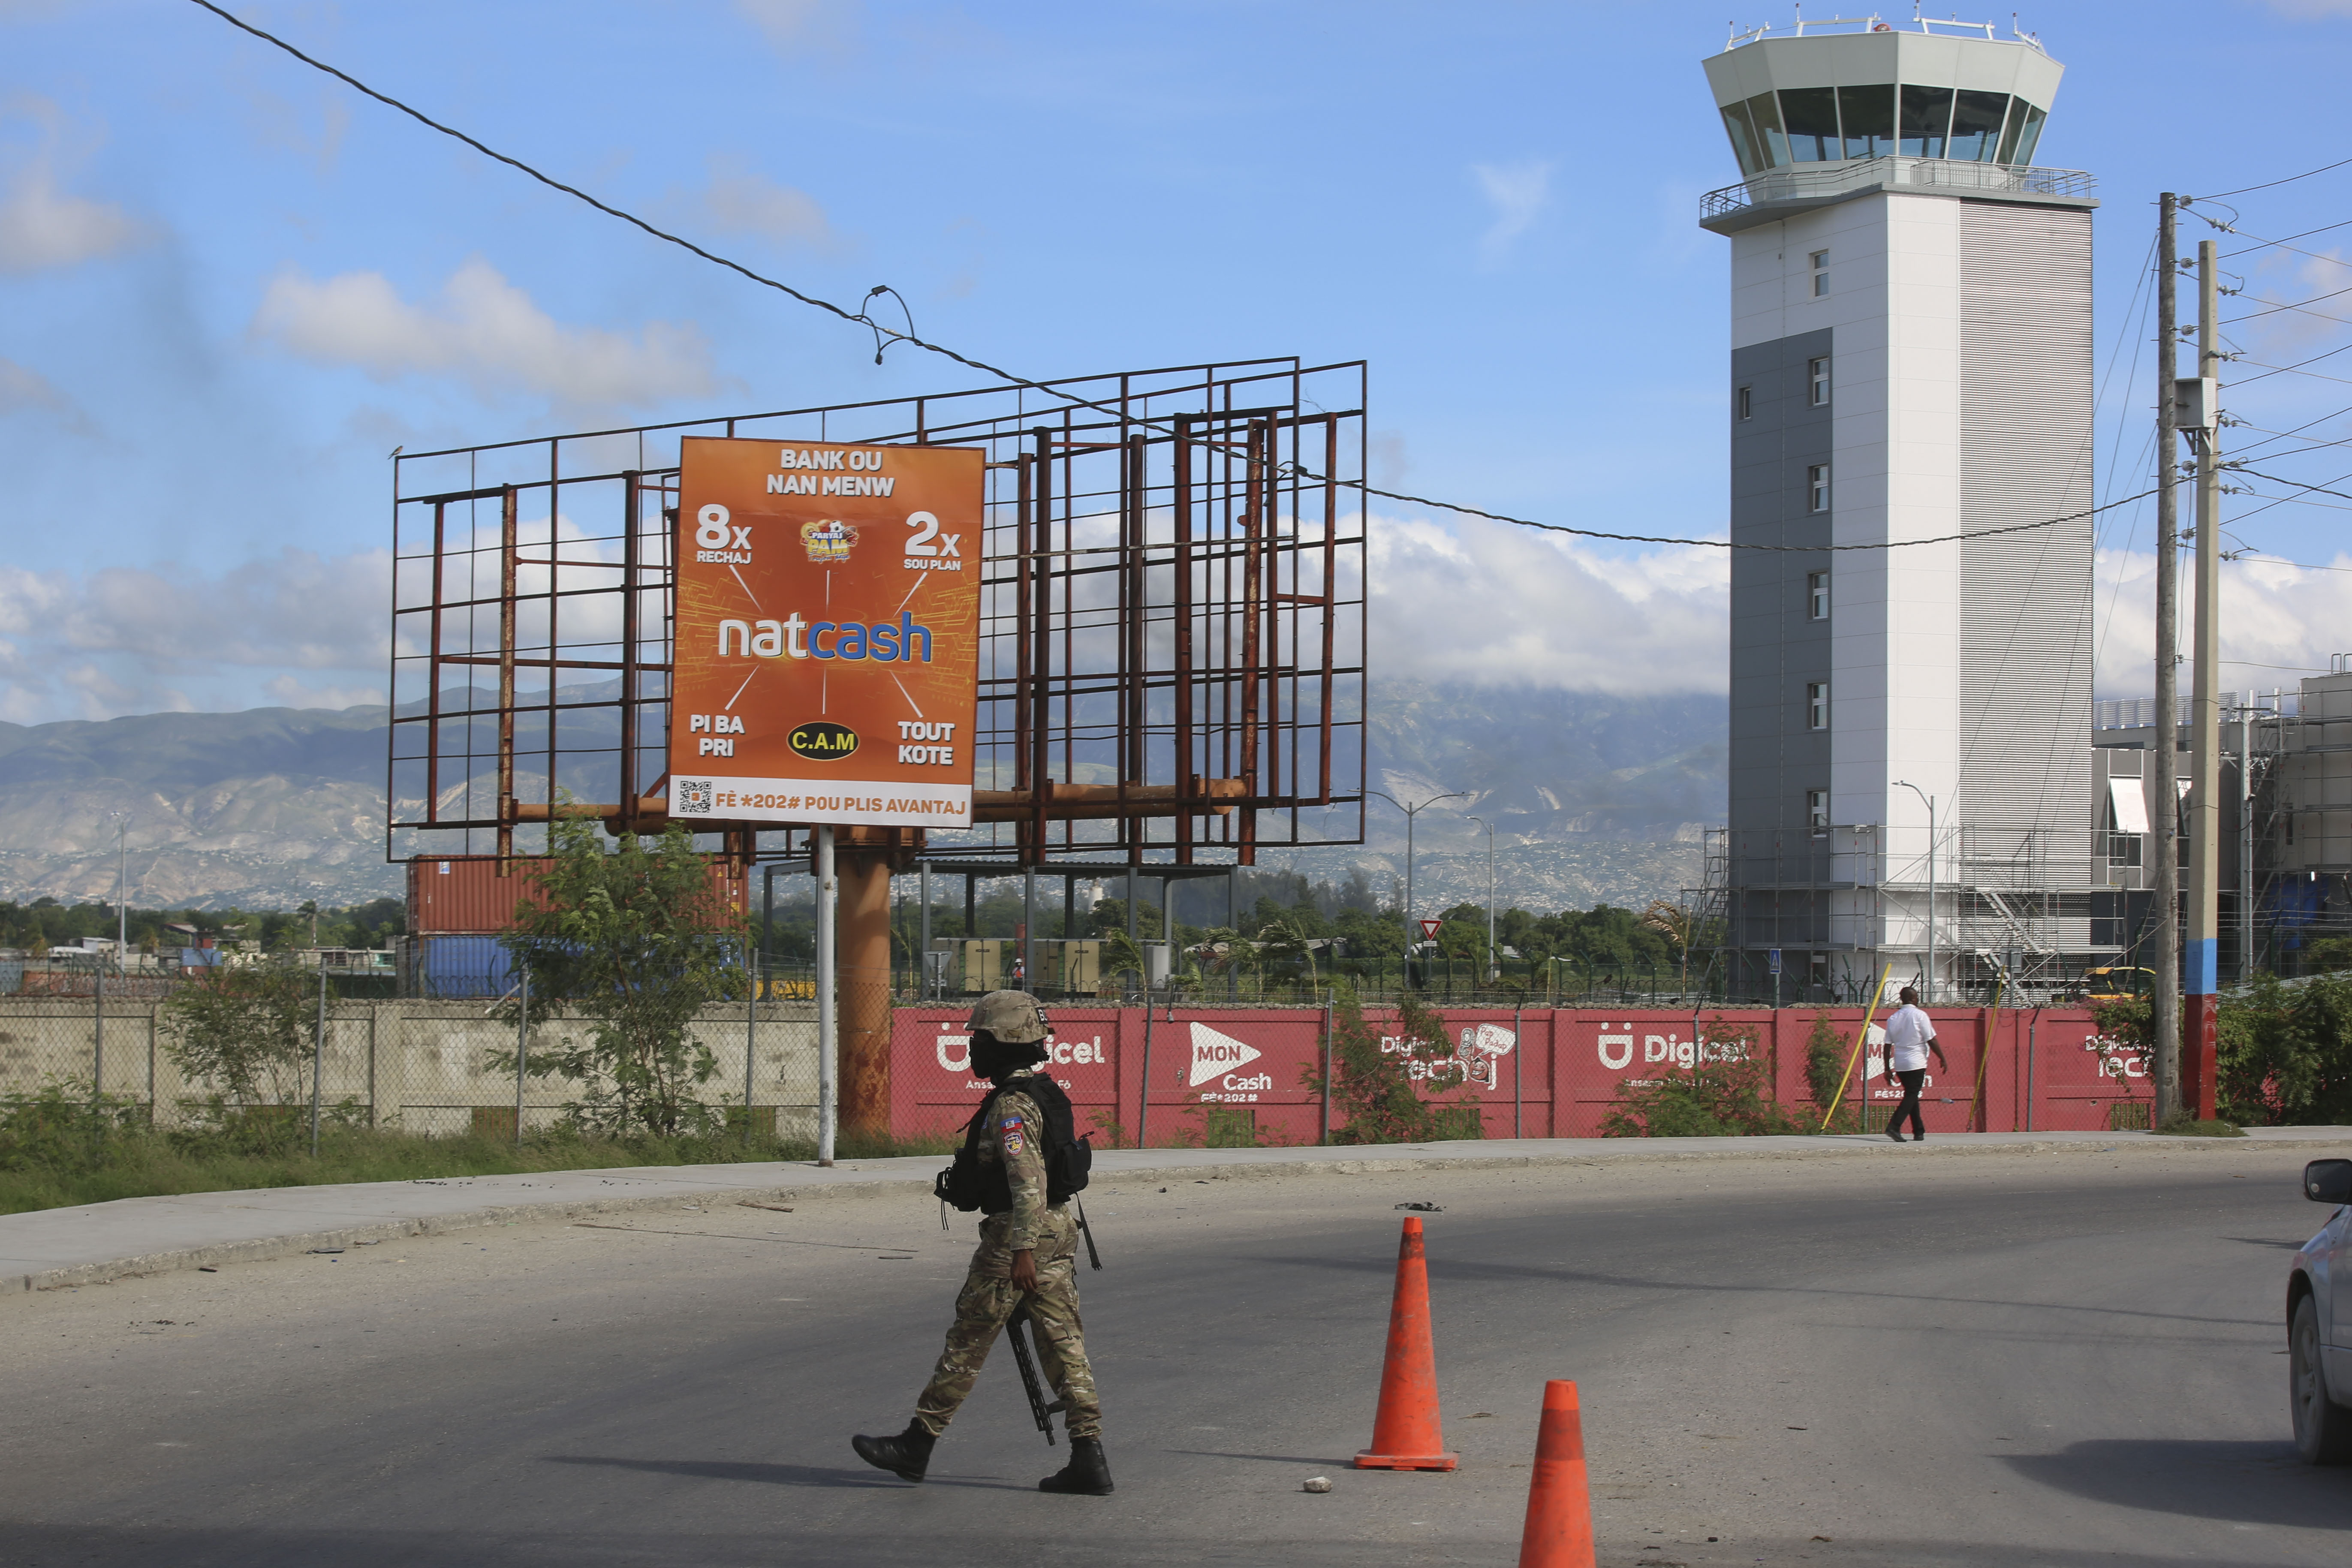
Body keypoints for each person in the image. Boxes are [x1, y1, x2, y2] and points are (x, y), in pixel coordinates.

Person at [851, 990, 1111, 1494]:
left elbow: (1026, 1182)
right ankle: (1089, 1457)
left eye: (981, 1038)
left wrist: (1020, 1253)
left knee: (968, 1340)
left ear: (1005, 1043)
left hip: (1021, 1236)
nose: (973, 1048)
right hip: (1057, 1231)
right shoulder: (1045, 1093)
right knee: (1065, 1347)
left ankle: (916, 1445)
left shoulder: (1012, 1107)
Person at [1879, 985, 1949, 1142]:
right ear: (1913, 999)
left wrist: (1887, 1068)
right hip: (1916, 1062)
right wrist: (1942, 1058)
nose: (1918, 1000)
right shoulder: (1920, 1015)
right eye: (1917, 997)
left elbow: (1887, 1045)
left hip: (1901, 1063)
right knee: (1912, 1094)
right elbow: (1931, 1039)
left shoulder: (1893, 1018)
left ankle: (1919, 1131)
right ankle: (1894, 1126)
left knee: (1912, 1094)